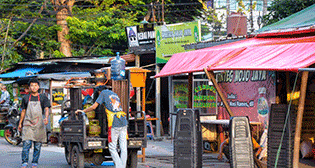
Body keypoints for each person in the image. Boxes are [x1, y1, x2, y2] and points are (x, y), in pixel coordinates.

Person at [76, 86, 128, 168]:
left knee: (112, 147)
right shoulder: (114, 94)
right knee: (123, 147)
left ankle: (119, 167)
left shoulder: (103, 93)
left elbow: (93, 107)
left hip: (115, 122)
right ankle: (122, 166)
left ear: (99, 91)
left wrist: (83, 111)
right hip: (123, 120)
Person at [18, 79, 51, 168]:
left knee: (37, 146)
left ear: (38, 87)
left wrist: (46, 118)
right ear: (29, 87)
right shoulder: (25, 98)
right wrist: (20, 123)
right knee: (26, 144)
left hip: (39, 124)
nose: (34, 87)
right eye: (32, 85)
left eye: (35, 85)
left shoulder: (43, 97)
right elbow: (23, 111)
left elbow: (47, 108)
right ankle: (24, 162)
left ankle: (35, 162)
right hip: (28, 123)